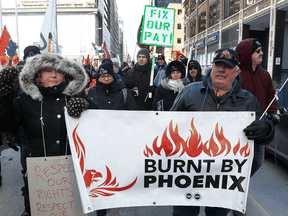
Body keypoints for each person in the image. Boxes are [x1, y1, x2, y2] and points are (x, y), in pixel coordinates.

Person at [170, 48, 275, 216]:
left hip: (223, 182)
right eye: (218, 64)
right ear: (212, 67)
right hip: (188, 177)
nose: (221, 70)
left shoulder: (249, 101)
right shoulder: (190, 93)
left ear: (237, 71)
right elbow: (166, 127)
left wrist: (267, 129)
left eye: (227, 66)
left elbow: (263, 140)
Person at [0, 53, 98, 216]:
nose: (53, 75)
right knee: (39, 208)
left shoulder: (74, 96)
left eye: (58, 71)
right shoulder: (26, 99)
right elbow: (6, 123)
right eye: (47, 71)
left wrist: (86, 106)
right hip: (39, 167)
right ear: (37, 74)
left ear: (65, 74)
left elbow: (100, 122)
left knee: (71, 208)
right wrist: (4, 94)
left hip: (71, 165)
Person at [236, 38, 279, 124]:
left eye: (261, 50)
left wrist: (272, 111)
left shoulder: (265, 75)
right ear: (247, 54)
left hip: (261, 122)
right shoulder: (235, 75)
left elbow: (270, 96)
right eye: (257, 51)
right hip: (240, 122)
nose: (261, 53)